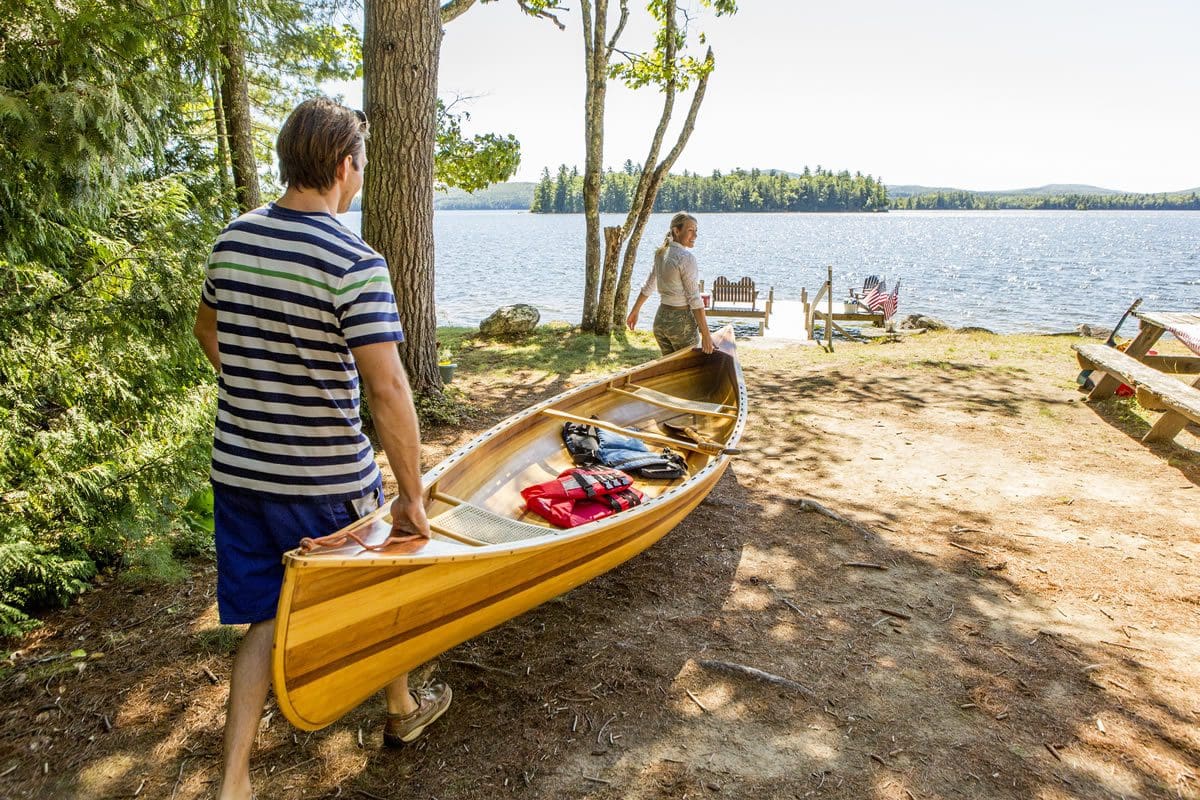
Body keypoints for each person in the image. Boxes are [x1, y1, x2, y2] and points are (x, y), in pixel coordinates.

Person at [192, 97, 451, 800]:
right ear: (343, 167)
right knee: (385, 589)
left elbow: (206, 331)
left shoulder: (232, 240)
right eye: (361, 166)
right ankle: (401, 710)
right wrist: (413, 495)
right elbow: (390, 391)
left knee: (265, 617)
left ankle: (234, 782)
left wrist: (259, 392)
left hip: (241, 475)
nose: (360, 176)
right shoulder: (352, 260)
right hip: (326, 483)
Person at [625, 212, 715, 356]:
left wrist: (635, 311)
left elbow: (649, 286)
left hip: (660, 322)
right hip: (680, 325)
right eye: (690, 230)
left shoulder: (661, 253)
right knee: (688, 369)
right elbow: (694, 299)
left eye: (696, 231)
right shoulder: (686, 258)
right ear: (676, 230)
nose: (695, 236)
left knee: (672, 369)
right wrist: (706, 335)